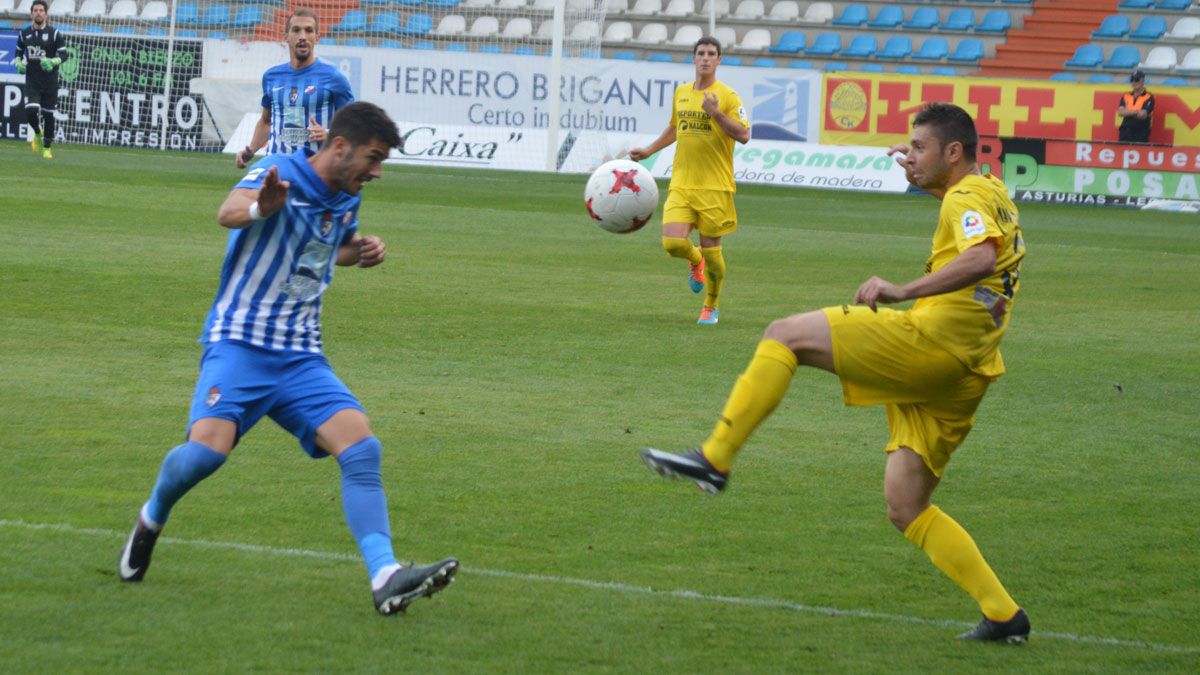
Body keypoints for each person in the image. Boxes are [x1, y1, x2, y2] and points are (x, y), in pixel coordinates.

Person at [641, 103, 1031, 643]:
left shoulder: (967, 196)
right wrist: (929, 175)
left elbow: (982, 257)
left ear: (955, 152)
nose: (909, 156)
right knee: (906, 506)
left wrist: (902, 290)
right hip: (969, 369)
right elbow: (985, 235)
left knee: (784, 334)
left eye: (919, 147)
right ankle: (1004, 614)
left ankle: (715, 459)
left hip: (934, 344)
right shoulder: (988, 191)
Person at [119, 101, 458, 616]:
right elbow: (227, 212)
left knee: (362, 447)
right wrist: (263, 208)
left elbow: (330, 247)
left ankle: (385, 575)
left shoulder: (345, 196)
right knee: (205, 456)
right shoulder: (280, 170)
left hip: (301, 356)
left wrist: (358, 251)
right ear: (339, 147)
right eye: (373, 157)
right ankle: (152, 515)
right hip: (239, 344)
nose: (377, 171)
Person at [629, 36, 750, 325]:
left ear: (719, 60)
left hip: (715, 187)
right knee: (672, 243)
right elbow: (675, 127)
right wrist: (648, 150)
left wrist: (716, 113)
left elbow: (744, 135)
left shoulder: (729, 97)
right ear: (693, 58)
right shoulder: (682, 92)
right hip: (682, 183)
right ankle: (695, 260)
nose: (706, 58)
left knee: (714, 251)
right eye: (701, 53)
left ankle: (711, 305)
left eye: (711, 54)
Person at [235, 8, 354, 169]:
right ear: (287, 37)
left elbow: (353, 125)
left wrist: (327, 135)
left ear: (317, 37)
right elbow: (266, 122)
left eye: (309, 31)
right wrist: (251, 150)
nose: (302, 36)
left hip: (315, 170)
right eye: (296, 30)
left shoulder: (334, 78)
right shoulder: (271, 76)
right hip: (275, 167)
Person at [14, 0, 67, 160]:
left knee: (48, 115)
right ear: (31, 14)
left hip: (50, 82)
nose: (38, 12)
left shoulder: (54, 33)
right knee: (30, 111)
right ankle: (37, 132)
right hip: (32, 81)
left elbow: (64, 55)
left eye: (41, 10)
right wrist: (18, 63)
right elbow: (18, 53)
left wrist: (53, 62)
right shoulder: (24, 34)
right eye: (35, 10)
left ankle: (47, 147)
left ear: (46, 14)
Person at [1117, 70, 1154, 144]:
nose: (1134, 82)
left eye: (1136, 80)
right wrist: (1136, 112)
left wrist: (1127, 112)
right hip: (1125, 133)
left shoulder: (1149, 97)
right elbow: (1120, 112)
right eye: (1132, 80)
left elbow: (1143, 115)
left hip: (1140, 134)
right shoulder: (1126, 96)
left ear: (1142, 81)